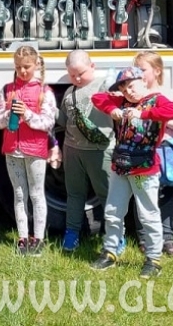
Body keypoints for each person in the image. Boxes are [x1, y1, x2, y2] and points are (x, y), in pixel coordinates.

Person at [89, 67, 173, 278]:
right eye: (124, 88)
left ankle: (153, 258)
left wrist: (143, 113)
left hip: (145, 169)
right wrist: (112, 107)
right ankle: (110, 251)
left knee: (148, 214)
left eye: (131, 86)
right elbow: (97, 98)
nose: (129, 92)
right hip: (120, 166)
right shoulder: (121, 102)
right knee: (113, 211)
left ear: (143, 81)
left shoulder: (157, 100)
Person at [0, 45, 57, 256]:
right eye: (19, 67)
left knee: (37, 194)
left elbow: (48, 122)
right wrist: (7, 115)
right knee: (19, 195)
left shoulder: (44, 91)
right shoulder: (7, 89)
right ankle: (22, 238)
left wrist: (28, 114)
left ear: (36, 65)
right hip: (12, 149)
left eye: (27, 67)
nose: (23, 71)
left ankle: (38, 239)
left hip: (35, 150)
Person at [55, 50, 113, 253]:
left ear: (93, 67)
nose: (77, 78)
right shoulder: (69, 93)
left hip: (100, 151)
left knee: (107, 195)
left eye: (81, 73)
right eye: (72, 75)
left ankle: (115, 236)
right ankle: (72, 234)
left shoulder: (104, 85)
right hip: (72, 151)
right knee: (75, 194)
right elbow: (63, 121)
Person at [134, 51, 173, 257]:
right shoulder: (135, 94)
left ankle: (167, 237)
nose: (139, 74)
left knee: (167, 195)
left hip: (165, 151)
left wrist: (158, 117)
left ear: (156, 71)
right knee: (144, 195)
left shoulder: (168, 94)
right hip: (143, 150)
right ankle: (145, 237)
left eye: (143, 70)